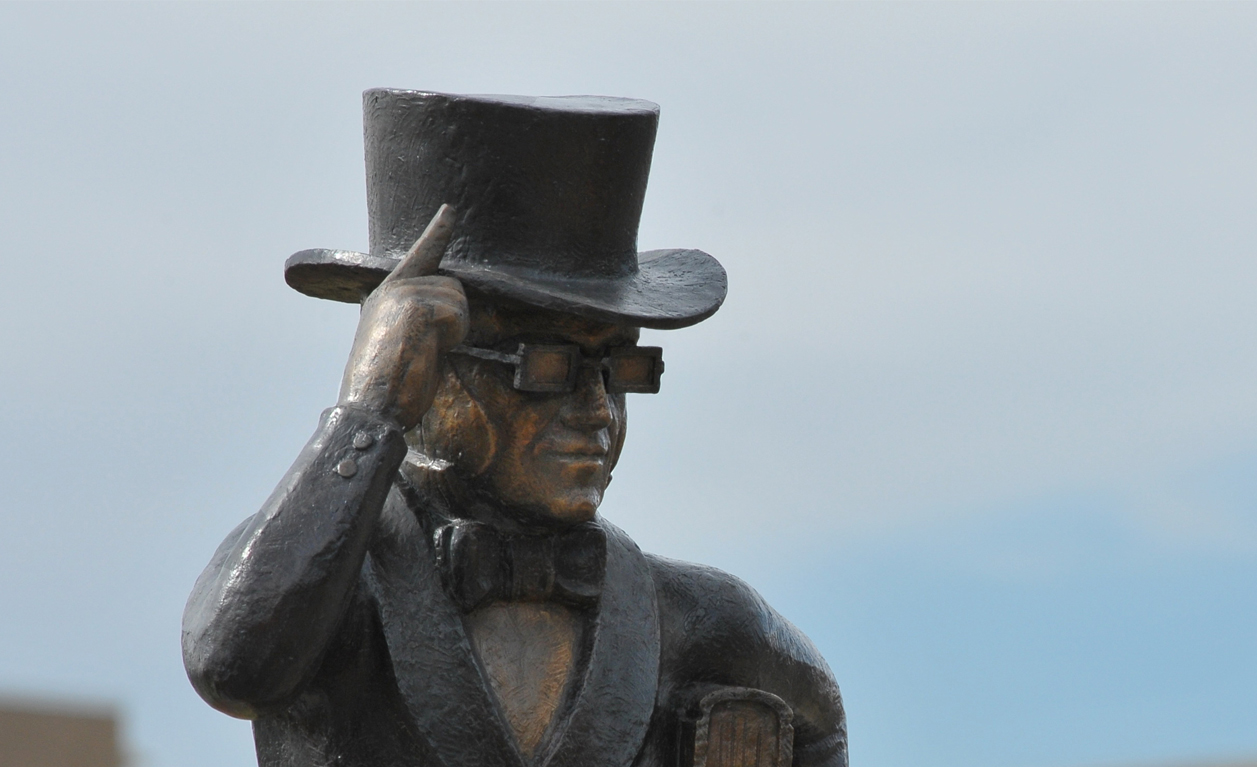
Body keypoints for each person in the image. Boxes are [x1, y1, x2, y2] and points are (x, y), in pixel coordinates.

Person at [182, 89, 847, 767]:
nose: (598, 408)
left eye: (620, 369)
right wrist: (365, 409)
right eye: (550, 367)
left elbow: (823, 721)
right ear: (429, 366)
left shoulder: (699, 620)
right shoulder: (331, 588)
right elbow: (233, 662)